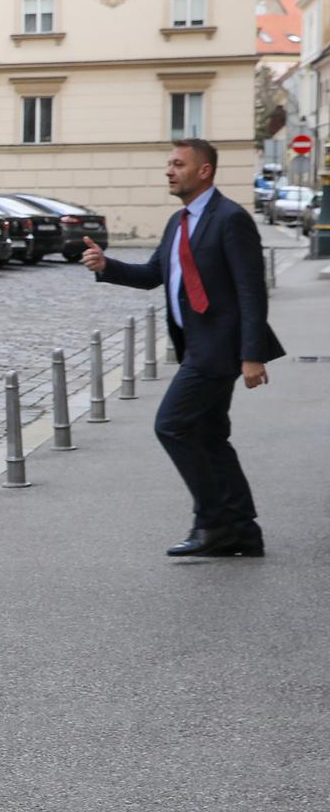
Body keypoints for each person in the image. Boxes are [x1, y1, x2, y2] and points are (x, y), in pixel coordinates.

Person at [81, 138, 283, 557]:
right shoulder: (179, 221)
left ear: (204, 170)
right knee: (210, 436)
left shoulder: (230, 218)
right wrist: (107, 266)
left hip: (218, 348)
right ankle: (242, 530)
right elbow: (156, 273)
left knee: (171, 425)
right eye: (168, 164)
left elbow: (251, 290)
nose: (169, 171)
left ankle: (213, 523)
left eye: (178, 164)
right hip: (194, 345)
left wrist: (252, 354)